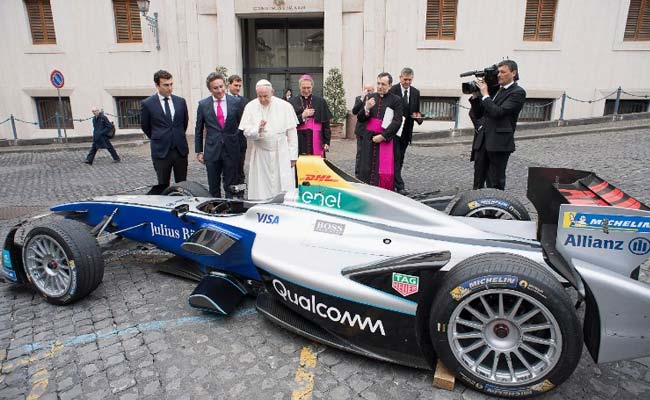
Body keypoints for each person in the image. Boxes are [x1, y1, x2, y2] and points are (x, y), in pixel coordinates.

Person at [469, 60, 526, 190]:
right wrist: (476, 96)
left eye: (503, 72)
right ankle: (477, 209)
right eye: (498, 72)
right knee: (477, 181)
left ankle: (493, 209)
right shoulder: (495, 90)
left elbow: (498, 112)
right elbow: (478, 114)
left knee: (495, 181)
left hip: (499, 144)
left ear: (513, 73)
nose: (499, 75)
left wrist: (485, 95)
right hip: (482, 142)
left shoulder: (517, 92)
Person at [239, 80, 298, 200]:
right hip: (260, 153)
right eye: (259, 96)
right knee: (261, 186)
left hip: (281, 152)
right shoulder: (250, 106)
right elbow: (245, 131)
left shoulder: (285, 106)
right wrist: (257, 129)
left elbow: (292, 133)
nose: (262, 99)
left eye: (265, 96)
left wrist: (293, 157)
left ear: (272, 92)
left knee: (282, 184)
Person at [195, 73, 244, 198]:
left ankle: (229, 209)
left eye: (221, 86)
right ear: (210, 89)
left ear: (225, 85)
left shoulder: (236, 102)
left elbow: (241, 126)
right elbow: (198, 129)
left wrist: (241, 149)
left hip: (231, 150)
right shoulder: (203, 104)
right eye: (215, 88)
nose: (219, 90)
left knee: (230, 185)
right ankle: (215, 209)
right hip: (212, 151)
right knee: (213, 186)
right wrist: (199, 151)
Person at [140, 70, 190, 188]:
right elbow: (145, 126)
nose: (170, 88)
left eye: (171, 84)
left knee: (182, 185)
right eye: (166, 85)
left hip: (180, 150)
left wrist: (177, 136)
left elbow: (184, 123)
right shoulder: (148, 103)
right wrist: (160, 136)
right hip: (161, 151)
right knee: (162, 185)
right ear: (157, 85)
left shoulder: (180, 101)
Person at [356, 72, 403, 190]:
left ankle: (383, 192)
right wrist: (366, 108)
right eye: (378, 83)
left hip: (385, 138)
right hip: (369, 139)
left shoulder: (396, 100)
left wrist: (383, 136)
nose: (380, 86)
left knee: (382, 168)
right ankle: (365, 190)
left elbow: (397, 121)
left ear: (390, 86)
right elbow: (360, 118)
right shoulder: (371, 97)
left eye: (383, 84)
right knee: (366, 166)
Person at [389, 67, 423, 195]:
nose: (407, 82)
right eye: (405, 80)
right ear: (400, 78)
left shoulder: (415, 92)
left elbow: (416, 111)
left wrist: (419, 118)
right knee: (395, 158)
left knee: (400, 158)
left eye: (410, 80)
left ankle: (394, 181)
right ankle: (399, 185)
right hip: (393, 132)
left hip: (406, 132)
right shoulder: (393, 90)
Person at [289, 75, 332, 157]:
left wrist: (327, 142)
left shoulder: (321, 101)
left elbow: (326, 125)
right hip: (299, 139)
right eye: (303, 88)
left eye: (308, 88)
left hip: (317, 139)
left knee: (317, 166)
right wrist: (302, 116)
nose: (306, 90)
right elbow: (289, 123)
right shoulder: (292, 102)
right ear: (299, 87)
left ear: (312, 87)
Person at [227, 74, 247, 186]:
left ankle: (240, 191)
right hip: (227, 140)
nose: (238, 88)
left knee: (240, 167)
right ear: (229, 84)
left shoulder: (244, 101)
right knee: (229, 168)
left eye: (240, 86)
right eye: (235, 85)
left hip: (241, 140)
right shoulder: (223, 100)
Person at [351, 84, 374, 178]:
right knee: (360, 153)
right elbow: (354, 111)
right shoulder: (359, 98)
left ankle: (369, 173)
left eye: (370, 90)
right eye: (366, 90)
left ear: (373, 90)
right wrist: (362, 98)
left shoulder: (375, 99)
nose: (368, 92)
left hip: (372, 130)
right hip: (361, 130)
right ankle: (358, 174)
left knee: (371, 153)